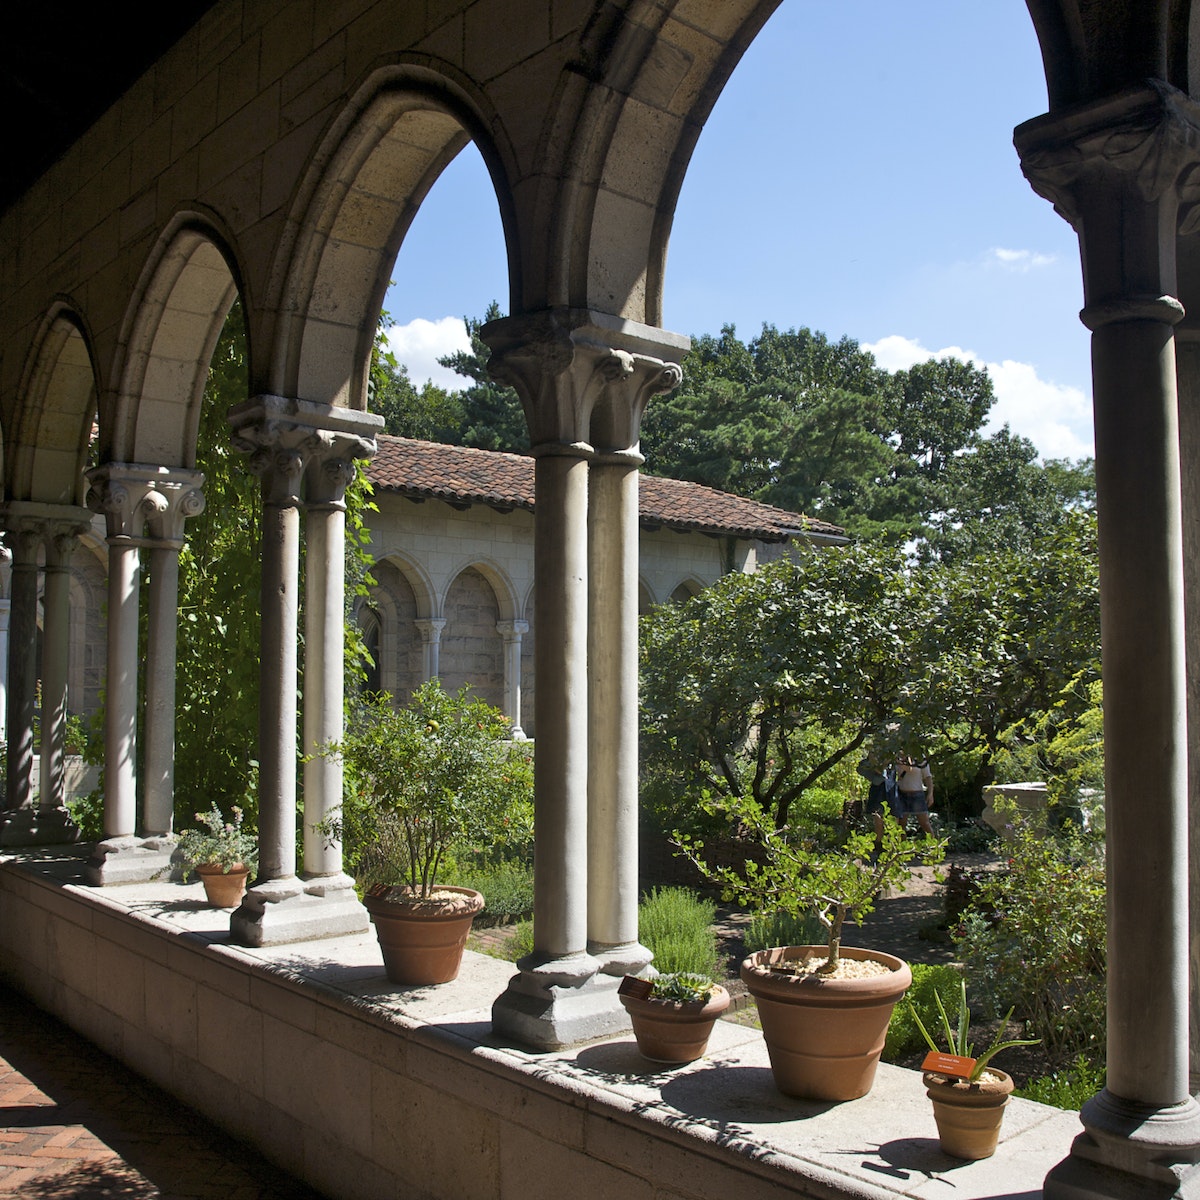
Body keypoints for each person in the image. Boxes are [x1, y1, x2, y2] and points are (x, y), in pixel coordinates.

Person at [857, 751, 898, 858]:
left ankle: (892, 845)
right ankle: (878, 845)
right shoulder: (870, 764)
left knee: (893, 818)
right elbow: (877, 771)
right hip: (878, 790)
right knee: (878, 819)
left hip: (891, 790)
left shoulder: (894, 762)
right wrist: (881, 763)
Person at [895, 752, 935, 837]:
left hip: (917, 794)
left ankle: (934, 846)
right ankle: (902, 847)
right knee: (901, 825)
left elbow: (927, 776)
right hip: (901, 793)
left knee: (924, 823)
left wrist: (930, 793)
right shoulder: (896, 758)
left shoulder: (920, 758)